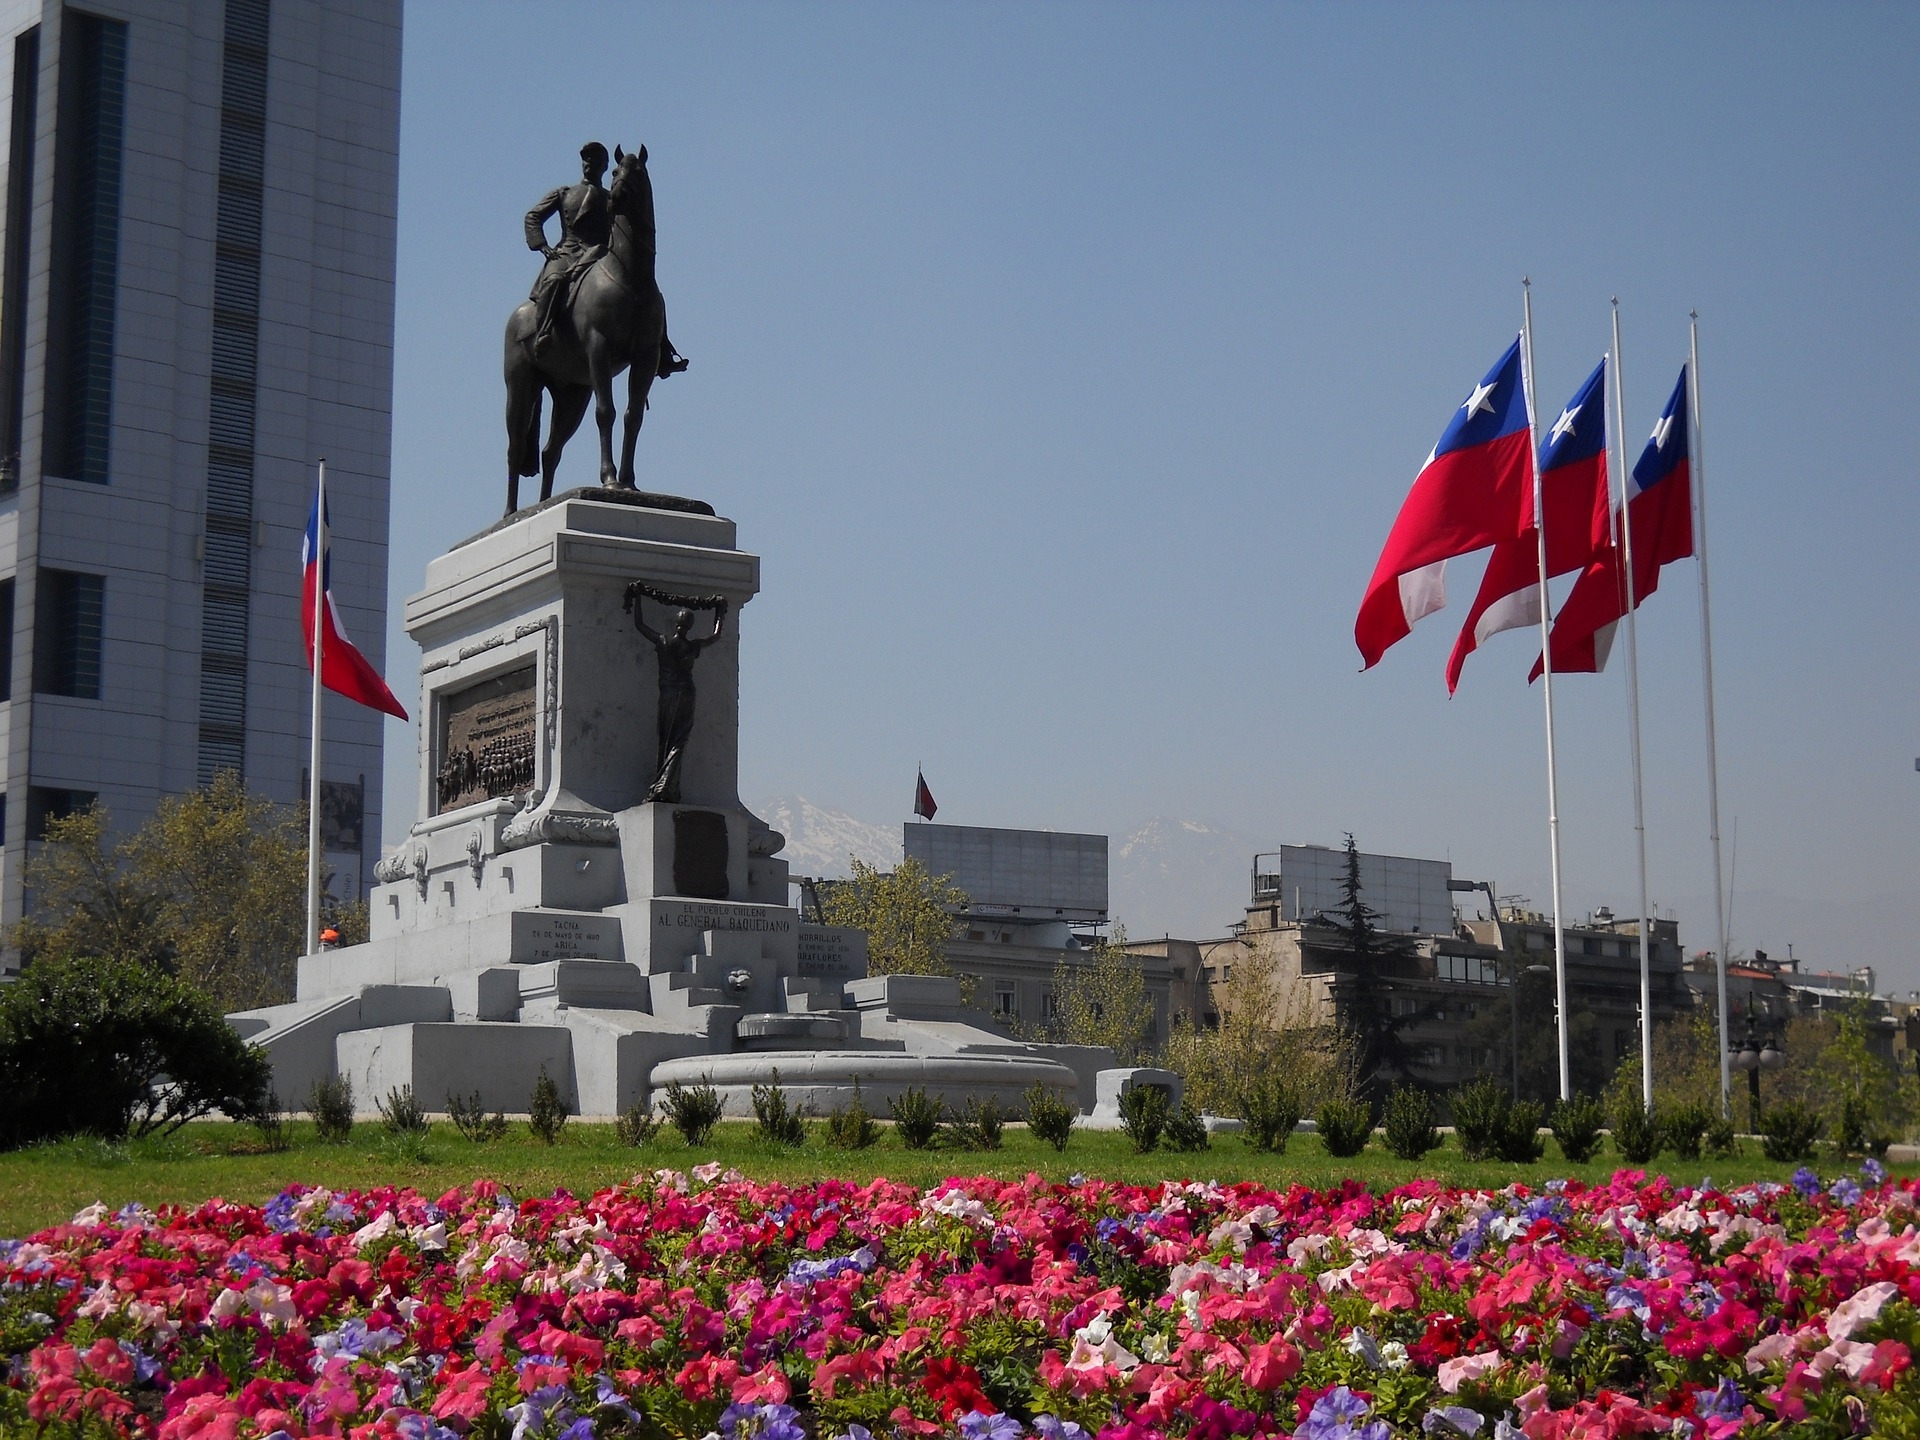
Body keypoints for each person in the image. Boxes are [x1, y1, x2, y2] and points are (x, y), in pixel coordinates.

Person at [525, 141, 688, 376]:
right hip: (567, 252)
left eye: (596, 160)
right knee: (554, 280)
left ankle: (662, 351)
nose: (589, 164)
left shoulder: (611, 196)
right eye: (586, 159)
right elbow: (533, 217)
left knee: (650, 293)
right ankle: (544, 332)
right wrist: (542, 245)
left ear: (604, 167)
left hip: (599, 253)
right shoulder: (563, 193)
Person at [626, 588, 727, 804]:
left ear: (676, 623)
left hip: (670, 693)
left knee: (667, 739)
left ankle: (663, 785)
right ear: (690, 625)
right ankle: (667, 786)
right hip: (687, 692)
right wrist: (720, 611)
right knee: (678, 740)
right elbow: (716, 635)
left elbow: (640, 625)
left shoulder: (664, 641)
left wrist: (638, 598)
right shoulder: (693, 645)